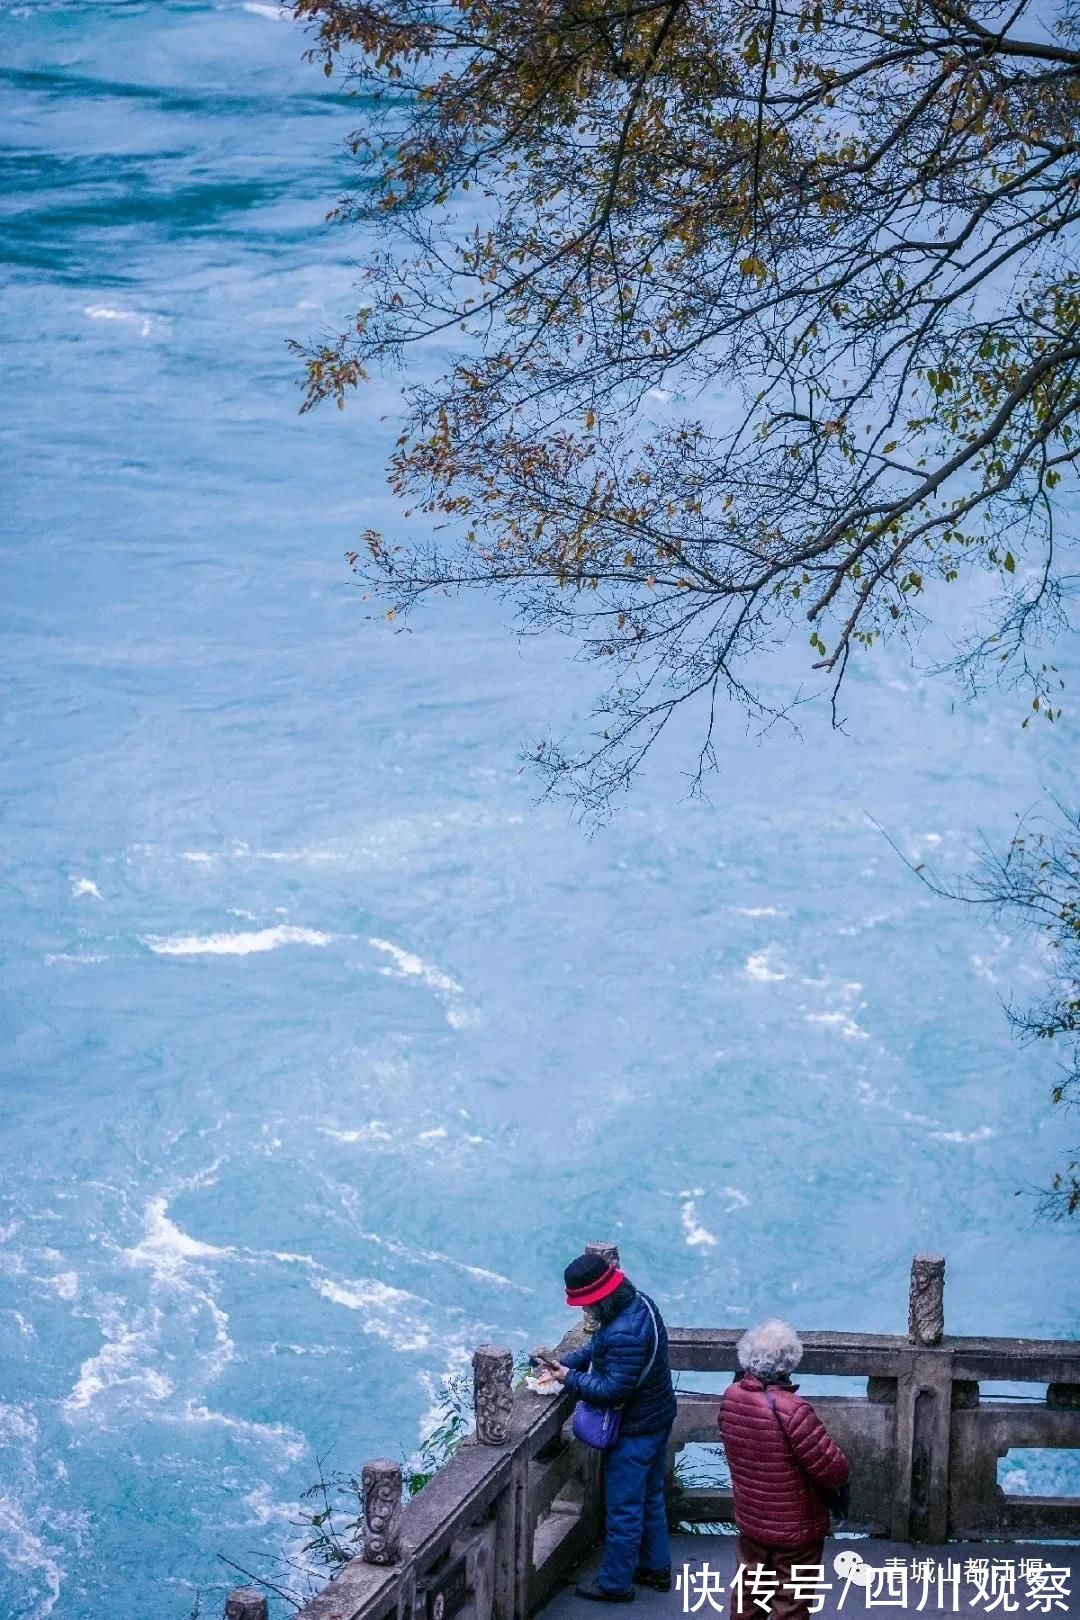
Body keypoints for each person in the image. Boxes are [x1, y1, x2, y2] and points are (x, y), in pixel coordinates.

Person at [542, 1252, 677, 1604]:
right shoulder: (639, 1304)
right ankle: (656, 1567)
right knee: (650, 1497)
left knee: (624, 1508)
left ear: (600, 1299)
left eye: (587, 1305)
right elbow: (599, 1346)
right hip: (658, 1417)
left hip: (635, 1429)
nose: (585, 1312)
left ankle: (616, 1584)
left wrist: (569, 1378)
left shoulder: (624, 1333)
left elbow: (612, 1389)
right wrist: (565, 1363)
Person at [718, 1319, 849, 1620]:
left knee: (750, 1594)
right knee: (790, 1601)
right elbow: (834, 1470)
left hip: (752, 1518)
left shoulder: (731, 1398)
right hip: (795, 1527)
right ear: (790, 1360)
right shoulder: (794, 1410)